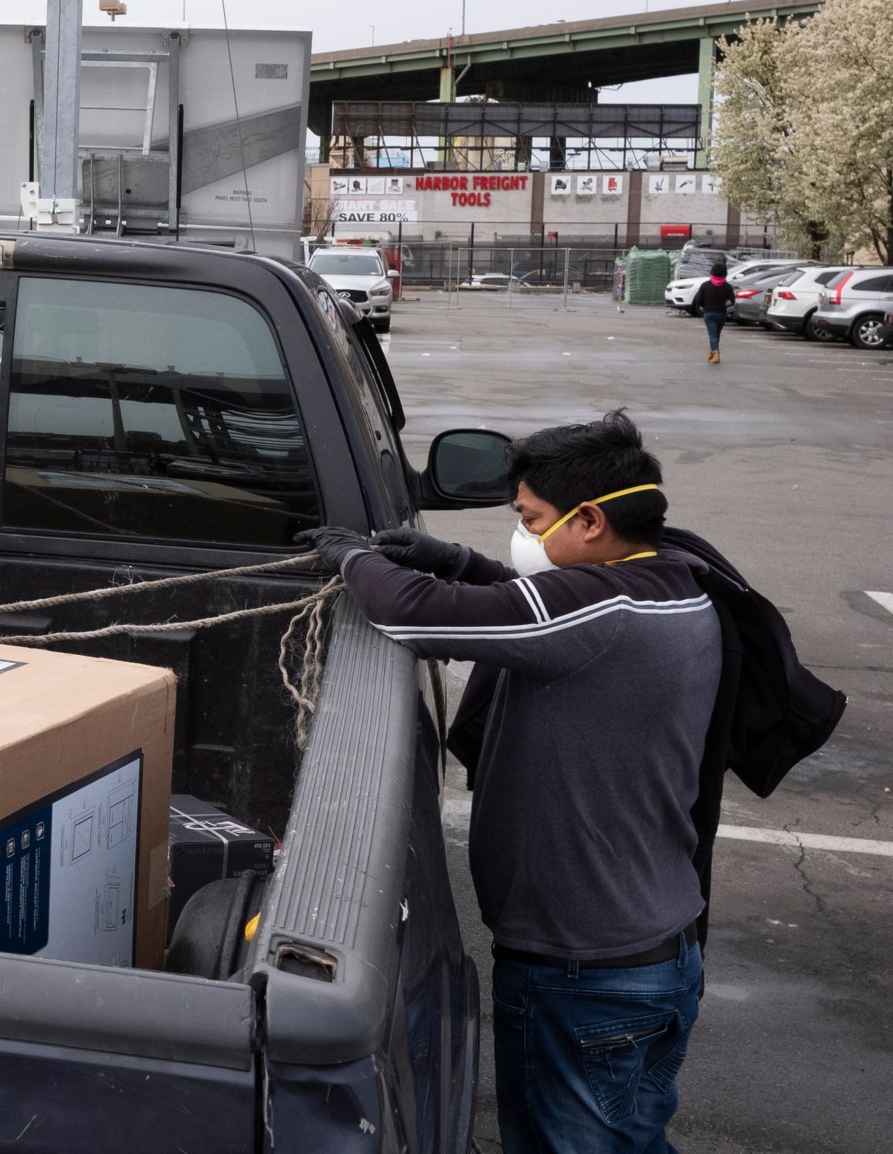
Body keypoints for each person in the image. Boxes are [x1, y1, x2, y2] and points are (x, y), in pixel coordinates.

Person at [302, 412, 717, 1154]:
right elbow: (531, 607)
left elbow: (411, 611)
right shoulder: (672, 583)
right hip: (649, 948)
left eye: (531, 519)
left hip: (583, 972)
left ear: (590, 521)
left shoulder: (598, 608)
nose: (525, 536)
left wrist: (351, 560)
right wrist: (461, 562)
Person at [686, 258, 731, 363]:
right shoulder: (727, 286)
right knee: (716, 334)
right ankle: (713, 351)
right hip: (721, 314)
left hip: (709, 313)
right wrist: (724, 304)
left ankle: (715, 353)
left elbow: (699, 300)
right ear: (724, 273)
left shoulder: (705, 285)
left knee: (712, 334)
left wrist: (704, 306)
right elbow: (731, 300)